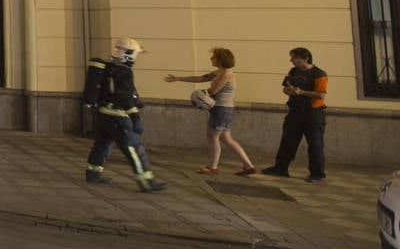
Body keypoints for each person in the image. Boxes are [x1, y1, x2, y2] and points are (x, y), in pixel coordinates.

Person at [83, 37, 168, 192]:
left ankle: (93, 173)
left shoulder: (108, 66)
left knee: (102, 144)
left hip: (103, 114)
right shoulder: (124, 70)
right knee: (134, 148)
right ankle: (146, 180)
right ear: (130, 53)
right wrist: (135, 116)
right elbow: (124, 96)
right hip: (118, 116)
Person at [165, 47, 255, 176]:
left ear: (220, 59)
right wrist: (178, 78)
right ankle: (248, 165)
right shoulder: (220, 72)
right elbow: (201, 78)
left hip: (221, 109)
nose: (211, 58)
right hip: (225, 109)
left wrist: (198, 95)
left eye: (213, 57)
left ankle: (213, 167)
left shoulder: (225, 75)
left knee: (212, 136)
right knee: (226, 138)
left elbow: (212, 91)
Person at [261, 47, 328, 182]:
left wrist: (302, 92)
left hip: (313, 113)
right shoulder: (293, 71)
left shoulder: (319, 73)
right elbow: (285, 88)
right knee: (287, 140)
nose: (291, 60)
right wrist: (289, 91)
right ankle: (280, 168)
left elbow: (321, 94)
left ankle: (317, 173)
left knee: (315, 144)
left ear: (304, 58)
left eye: (293, 58)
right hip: (294, 111)